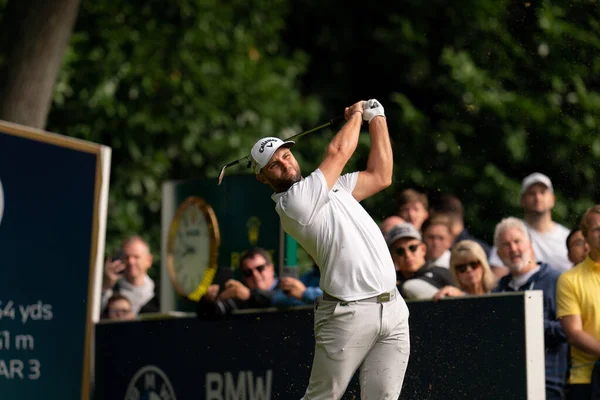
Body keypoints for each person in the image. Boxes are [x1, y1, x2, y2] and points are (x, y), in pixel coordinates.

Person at [251, 99, 410, 399]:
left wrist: (377, 118)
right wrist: (358, 114)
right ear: (262, 177)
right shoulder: (293, 203)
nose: (286, 163)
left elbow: (381, 176)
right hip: (347, 313)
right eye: (275, 164)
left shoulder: (332, 186)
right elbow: (339, 152)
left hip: (393, 308)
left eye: (286, 155)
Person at [492, 217, 568, 400]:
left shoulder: (557, 281)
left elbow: (567, 330)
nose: (513, 249)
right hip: (508, 384)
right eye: (506, 245)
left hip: (548, 384)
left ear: (530, 243)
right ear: (499, 254)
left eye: (517, 241)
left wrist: (528, 323)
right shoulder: (498, 290)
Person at [489, 173, 571, 277]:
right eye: (532, 193)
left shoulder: (568, 238)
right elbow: (497, 279)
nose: (537, 197)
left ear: (552, 199)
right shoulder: (510, 234)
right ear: (522, 200)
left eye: (542, 192)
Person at [557, 206, 600, 399]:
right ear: (586, 236)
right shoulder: (569, 279)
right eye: (597, 229)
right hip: (586, 379)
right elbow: (574, 333)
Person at [196, 247, 277, 318]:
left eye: (260, 268)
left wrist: (249, 295)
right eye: (248, 273)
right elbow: (208, 315)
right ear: (244, 278)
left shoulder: (286, 289)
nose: (255, 275)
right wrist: (208, 300)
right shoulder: (239, 297)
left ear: (271, 268)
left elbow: (284, 299)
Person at [387, 222, 454, 299]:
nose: (407, 255)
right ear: (392, 257)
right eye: (400, 251)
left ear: (423, 249)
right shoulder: (389, 280)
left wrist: (397, 288)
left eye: (412, 248)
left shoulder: (441, 273)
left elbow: (410, 287)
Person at [101, 236, 159, 316]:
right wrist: (106, 285)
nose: (131, 262)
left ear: (149, 260)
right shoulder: (109, 293)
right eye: (126, 257)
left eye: (136, 257)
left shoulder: (160, 294)